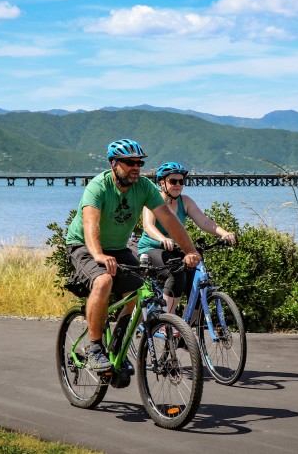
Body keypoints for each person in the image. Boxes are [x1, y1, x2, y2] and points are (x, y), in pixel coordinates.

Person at [66, 139, 201, 372]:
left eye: (139, 162)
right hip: (85, 245)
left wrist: (190, 250)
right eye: (129, 163)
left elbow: (171, 221)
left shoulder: (145, 187)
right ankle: (95, 348)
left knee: (140, 293)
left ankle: (118, 345)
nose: (136, 167)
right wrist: (98, 254)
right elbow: (91, 223)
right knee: (103, 280)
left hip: (118, 248)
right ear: (114, 164)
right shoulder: (99, 186)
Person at [137, 162, 237, 313]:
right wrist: (162, 238)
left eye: (181, 181)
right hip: (151, 249)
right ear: (162, 182)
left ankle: (185, 329)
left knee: (196, 280)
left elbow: (204, 221)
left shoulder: (186, 201)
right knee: (176, 272)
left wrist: (224, 233)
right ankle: (166, 320)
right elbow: (148, 226)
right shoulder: (153, 199)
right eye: (173, 181)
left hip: (176, 249)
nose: (178, 185)